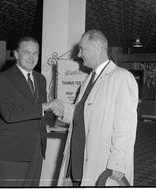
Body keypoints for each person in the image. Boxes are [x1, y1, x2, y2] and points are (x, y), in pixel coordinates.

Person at [56, 30, 138, 186]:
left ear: (95, 47)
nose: (79, 54)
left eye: (82, 48)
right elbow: (85, 114)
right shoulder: (88, 80)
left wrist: (118, 162)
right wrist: (64, 111)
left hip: (102, 163)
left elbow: (126, 126)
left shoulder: (121, 77)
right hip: (78, 161)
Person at [0, 36, 62, 186]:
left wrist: (51, 123)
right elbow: (10, 113)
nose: (32, 57)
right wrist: (44, 107)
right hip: (12, 152)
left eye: (36, 53)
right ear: (16, 54)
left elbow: (41, 109)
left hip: (37, 149)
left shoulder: (41, 79)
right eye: (27, 52)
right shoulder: (3, 79)